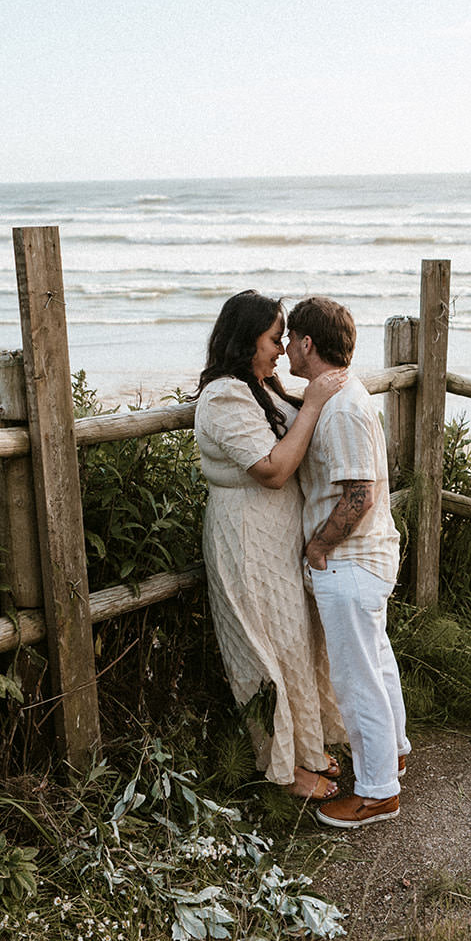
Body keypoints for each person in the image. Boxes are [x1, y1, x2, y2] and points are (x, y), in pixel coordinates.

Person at [194, 291, 348, 800]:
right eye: (274, 338)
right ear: (245, 341)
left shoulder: (261, 385)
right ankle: (283, 770)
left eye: (284, 337)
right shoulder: (224, 397)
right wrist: (317, 402)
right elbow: (274, 470)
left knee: (296, 642)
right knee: (264, 651)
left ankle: (305, 750)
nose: (282, 348)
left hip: (279, 535)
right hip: (245, 536)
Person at [285, 296, 410, 828]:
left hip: (349, 560)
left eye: (291, 338)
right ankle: (393, 753)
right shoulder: (340, 395)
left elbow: (359, 493)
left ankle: (378, 792)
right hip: (363, 559)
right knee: (376, 662)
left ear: (308, 343)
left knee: (356, 679)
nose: (287, 346)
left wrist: (318, 547)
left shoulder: (342, 408)